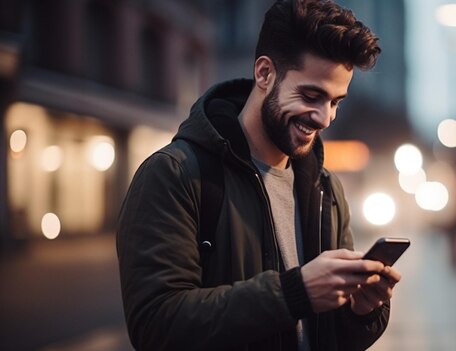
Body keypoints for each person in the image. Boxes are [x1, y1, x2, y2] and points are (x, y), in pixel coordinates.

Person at [116, 0, 402, 350]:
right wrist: (295, 293)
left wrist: (362, 310)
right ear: (265, 73)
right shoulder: (173, 174)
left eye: (336, 102)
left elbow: (334, 337)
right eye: (311, 95)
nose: (325, 117)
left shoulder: (327, 188)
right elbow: (155, 326)